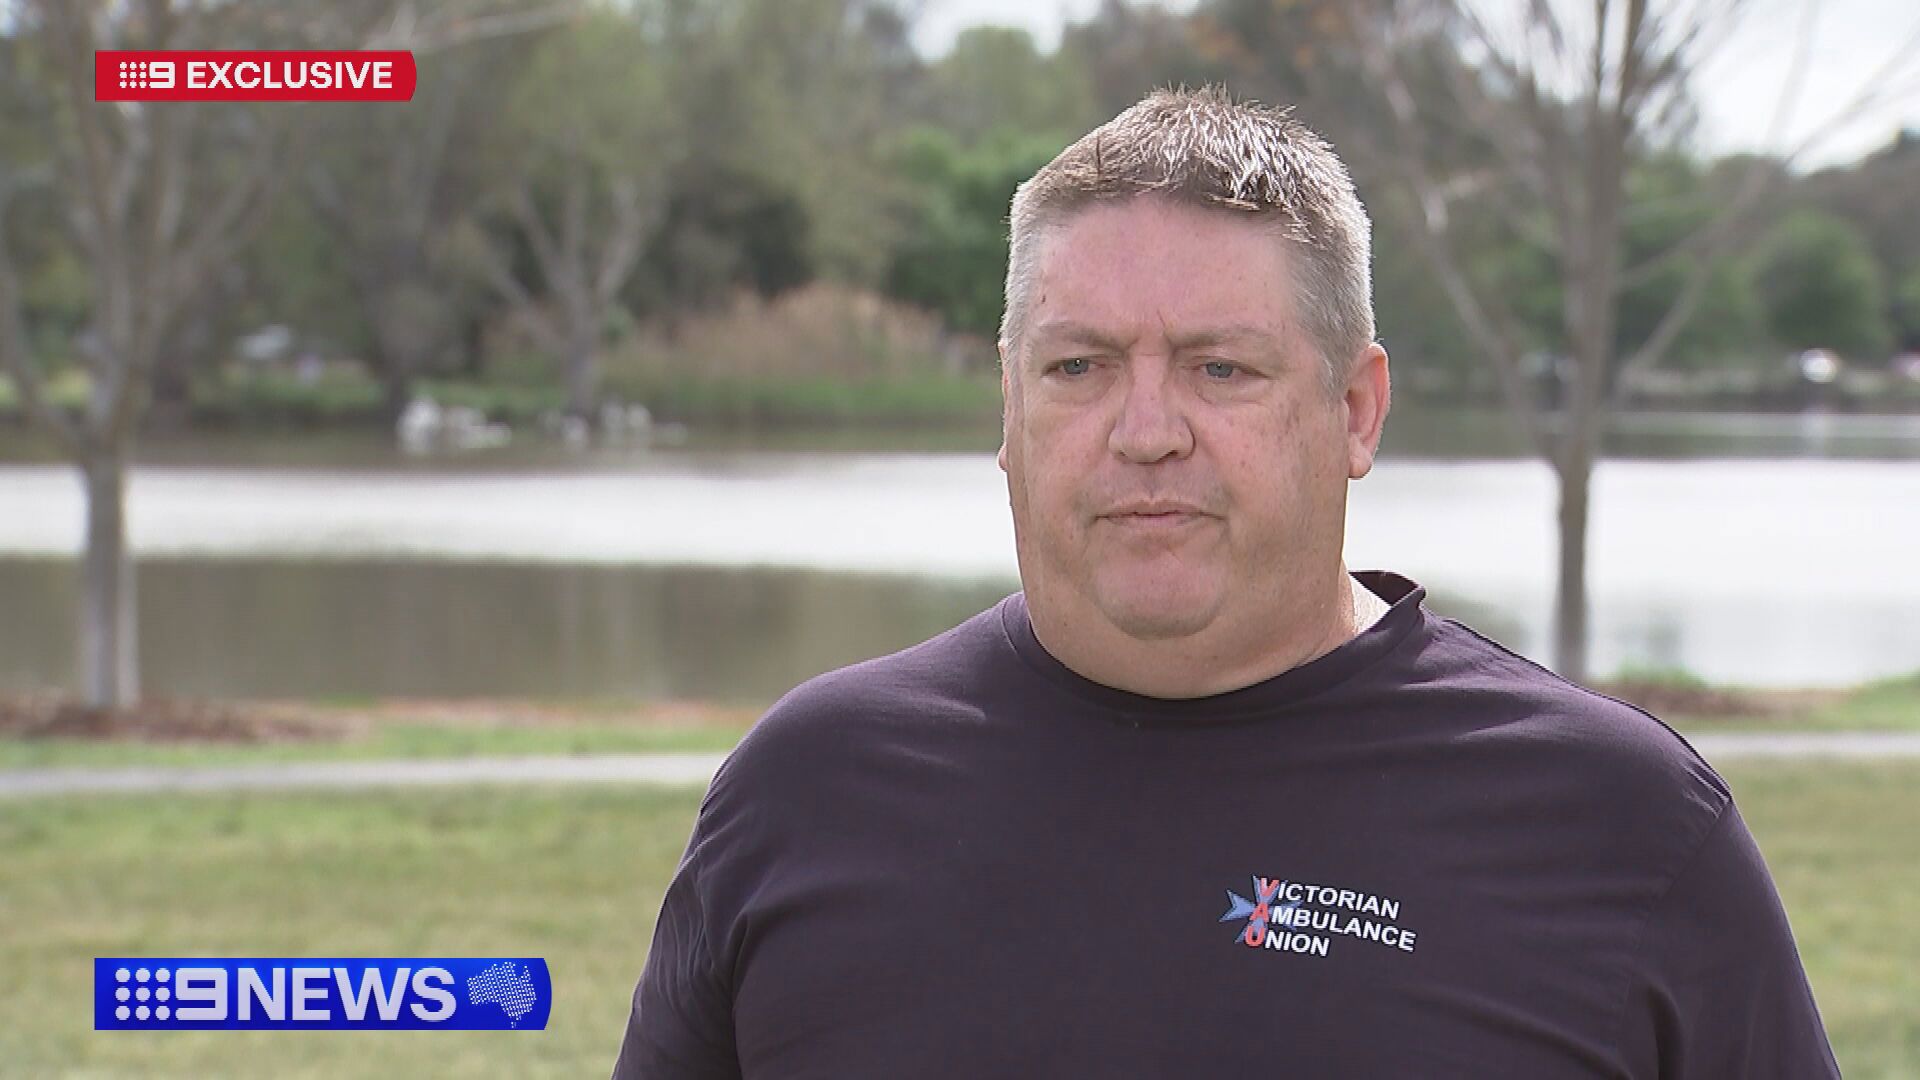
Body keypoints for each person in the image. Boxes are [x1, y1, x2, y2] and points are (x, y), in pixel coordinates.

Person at [612, 87, 1837, 1078]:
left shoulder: (1620, 825)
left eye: (1219, 370)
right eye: (1080, 365)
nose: (1146, 431)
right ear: (1009, 410)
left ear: (1355, 411)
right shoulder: (807, 791)